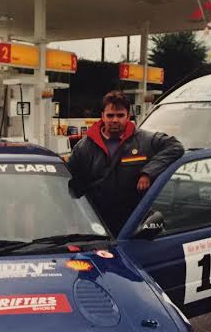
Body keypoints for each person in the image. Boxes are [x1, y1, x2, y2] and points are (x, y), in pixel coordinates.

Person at [68, 90, 184, 235]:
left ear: (128, 116)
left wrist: (148, 173)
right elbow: (70, 184)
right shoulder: (84, 147)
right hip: (97, 224)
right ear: (102, 116)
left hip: (134, 223)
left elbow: (175, 147)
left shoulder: (145, 140)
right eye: (110, 115)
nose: (115, 120)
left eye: (120, 115)